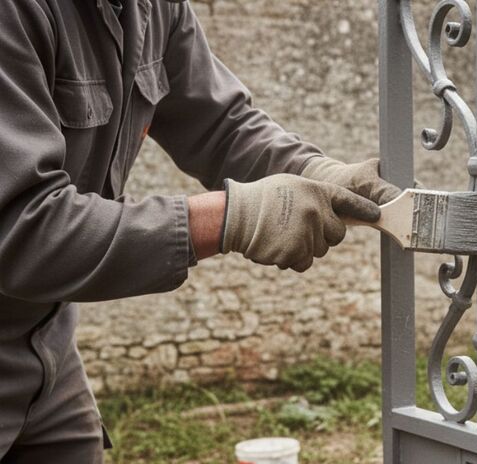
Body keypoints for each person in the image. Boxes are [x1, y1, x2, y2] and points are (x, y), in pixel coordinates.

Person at [0, 0, 401, 462]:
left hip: (47, 353)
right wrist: (233, 217)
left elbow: (221, 126)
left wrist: (316, 171)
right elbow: (23, 230)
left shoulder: (153, 10)